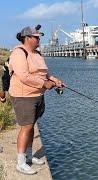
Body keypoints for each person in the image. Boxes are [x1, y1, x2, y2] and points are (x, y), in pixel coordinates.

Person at [9, 25, 64, 175]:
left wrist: (55, 80)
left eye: (39, 37)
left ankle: (28, 156)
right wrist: (44, 84)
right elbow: (24, 76)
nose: (39, 39)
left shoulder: (38, 54)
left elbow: (45, 73)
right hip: (23, 96)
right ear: (27, 38)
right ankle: (20, 163)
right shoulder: (18, 53)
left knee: (31, 125)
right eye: (36, 37)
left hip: (37, 95)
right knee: (26, 127)